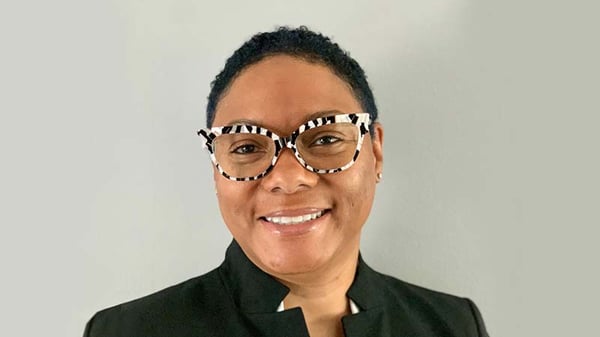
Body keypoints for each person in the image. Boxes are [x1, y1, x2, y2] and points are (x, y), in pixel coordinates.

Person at [84, 26, 489, 337]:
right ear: (215, 167)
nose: (288, 177)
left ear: (375, 151)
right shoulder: (128, 332)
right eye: (246, 148)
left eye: (326, 138)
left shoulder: (453, 325)